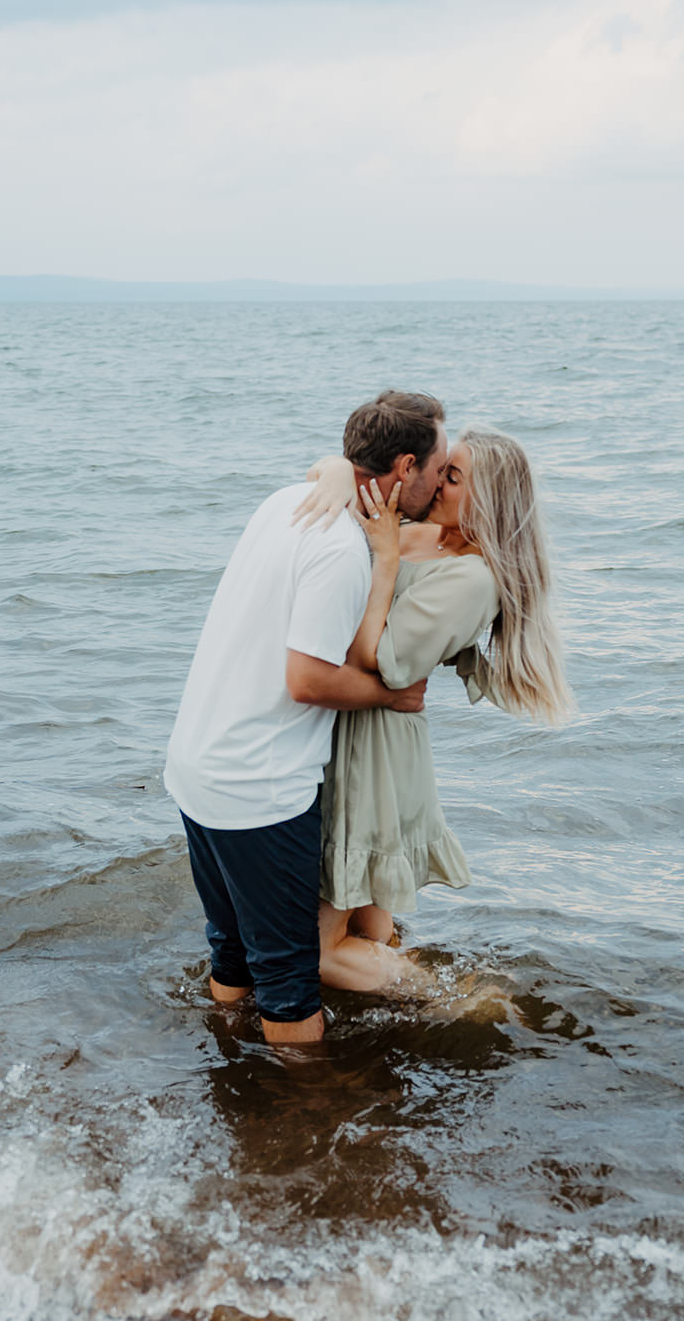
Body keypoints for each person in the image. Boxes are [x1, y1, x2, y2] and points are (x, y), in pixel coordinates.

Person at [164, 391, 451, 1045]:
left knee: (232, 952)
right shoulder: (341, 549)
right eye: (435, 472)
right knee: (290, 986)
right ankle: (302, 1126)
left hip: (197, 763)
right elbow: (308, 679)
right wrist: (391, 696)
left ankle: (226, 1069)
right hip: (257, 786)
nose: (438, 485)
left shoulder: (283, 502)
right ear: (404, 466)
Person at [299, 427, 574, 998]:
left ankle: (458, 999)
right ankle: (395, 1022)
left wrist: (385, 557)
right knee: (365, 916)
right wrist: (331, 470)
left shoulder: (474, 578)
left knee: (314, 947)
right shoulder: (430, 535)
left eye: (452, 476)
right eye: (441, 470)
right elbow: (350, 478)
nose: (436, 483)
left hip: (374, 754)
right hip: (357, 730)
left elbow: (381, 659)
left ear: (489, 497)